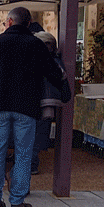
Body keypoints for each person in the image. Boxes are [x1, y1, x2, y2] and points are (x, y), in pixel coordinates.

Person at [0, 6, 69, 207]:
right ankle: (17, 202)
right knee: (23, 155)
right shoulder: (36, 44)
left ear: (8, 22)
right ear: (28, 23)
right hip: (27, 107)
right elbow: (53, 72)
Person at [30, 31, 70, 174]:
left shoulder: (35, 59)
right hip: (48, 103)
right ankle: (32, 164)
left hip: (35, 102)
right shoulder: (56, 61)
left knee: (32, 135)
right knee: (38, 134)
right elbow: (63, 81)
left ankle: (31, 164)